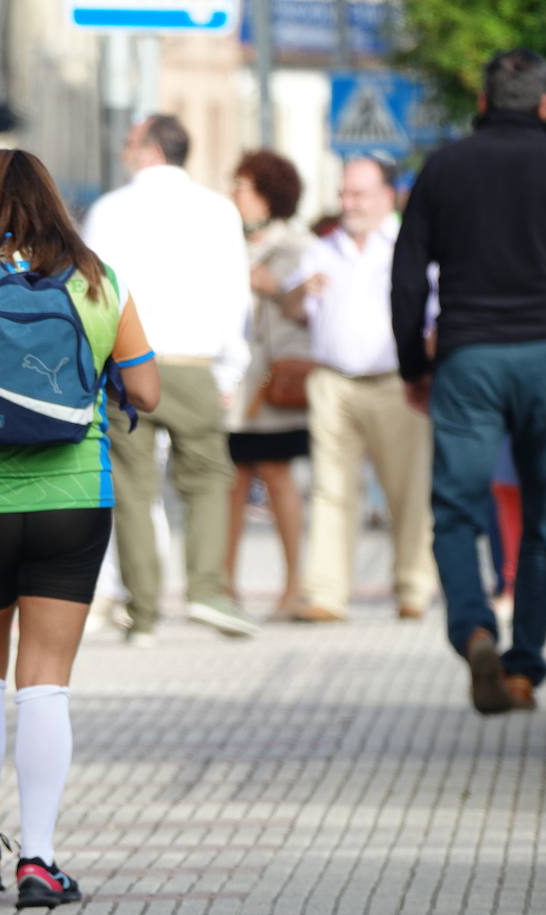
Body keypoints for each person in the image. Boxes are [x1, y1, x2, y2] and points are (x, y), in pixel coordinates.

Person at [0, 148, 160, 909]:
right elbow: (145, 387)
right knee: (45, 684)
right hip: (73, 499)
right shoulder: (96, 282)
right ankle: (39, 862)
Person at [391, 49, 546, 714]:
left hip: (468, 359)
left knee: (458, 507)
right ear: (545, 103)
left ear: (485, 100)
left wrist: (415, 365)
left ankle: (473, 629)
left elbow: (408, 278)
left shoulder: (444, 168)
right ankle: (523, 667)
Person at [82, 113, 257, 642]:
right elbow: (236, 295)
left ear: (152, 150)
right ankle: (205, 591)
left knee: (134, 491)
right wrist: (230, 369)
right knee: (207, 480)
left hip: (127, 367)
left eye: (131, 142)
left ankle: (145, 614)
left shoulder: (110, 210)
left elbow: (95, 291)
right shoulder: (219, 211)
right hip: (196, 366)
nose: (125, 151)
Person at [280, 157, 437, 624]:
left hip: (395, 382)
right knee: (330, 490)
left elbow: (436, 314)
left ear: (388, 196)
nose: (347, 203)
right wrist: (298, 292)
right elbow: (291, 309)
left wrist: (426, 370)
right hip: (333, 381)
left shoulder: (412, 245)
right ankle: (327, 593)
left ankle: (414, 587)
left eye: (358, 194)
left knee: (407, 489)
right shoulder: (322, 249)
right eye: (344, 193)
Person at [226, 150, 312, 618]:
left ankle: (294, 584)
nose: (235, 194)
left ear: (268, 194)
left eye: (244, 185)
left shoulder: (296, 245)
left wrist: (273, 288)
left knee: (279, 477)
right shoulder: (223, 241)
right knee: (231, 481)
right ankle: (223, 584)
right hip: (236, 383)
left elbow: (309, 306)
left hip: (274, 381)